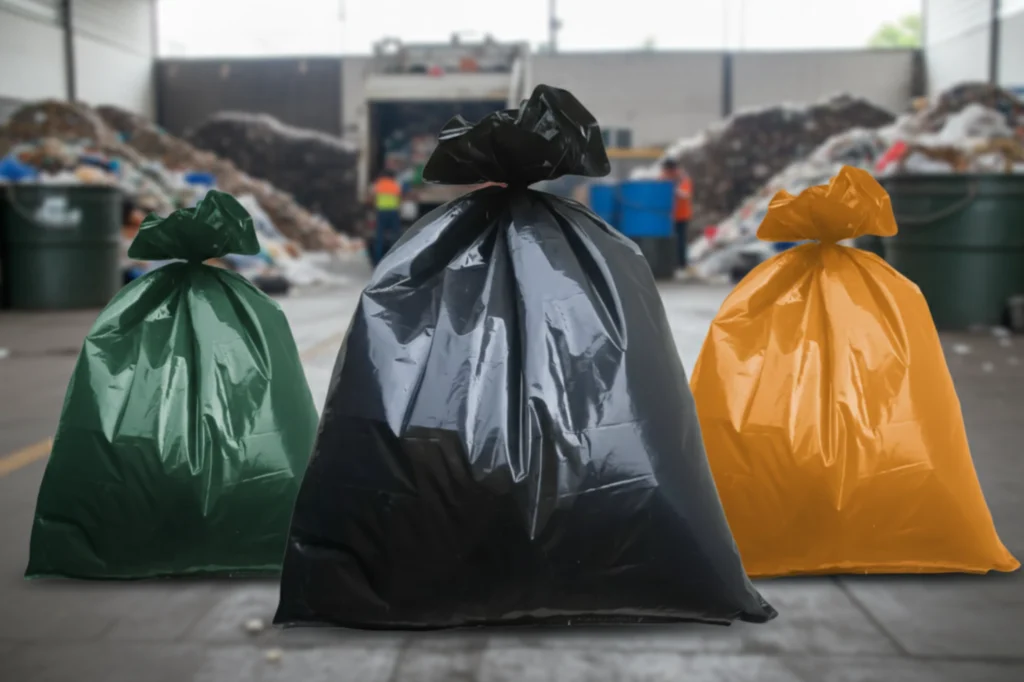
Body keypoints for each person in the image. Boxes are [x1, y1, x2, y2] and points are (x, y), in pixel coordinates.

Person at [660, 159, 693, 271]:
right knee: (667, 242)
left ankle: (681, 264)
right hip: (667, 217)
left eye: (669, 171)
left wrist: (672, 188)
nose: (667, 173)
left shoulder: (683, 179)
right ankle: (670, 263)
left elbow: (685, 194)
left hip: (681, 216)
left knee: (680, 241)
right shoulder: (663, 179)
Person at [369, 168, 403, 266]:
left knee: (379, 237)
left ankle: (377, 261)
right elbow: (400, 197)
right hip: (393, 212)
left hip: (381, 212)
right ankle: (394, 260)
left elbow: (372, 197)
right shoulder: (395, 184)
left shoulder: (378, 185)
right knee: (395, 236)